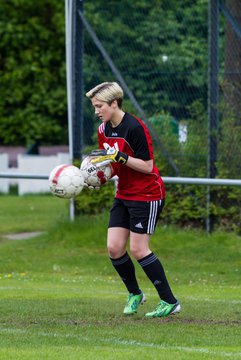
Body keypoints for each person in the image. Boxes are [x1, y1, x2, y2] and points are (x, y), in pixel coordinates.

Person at [85, 81, 180, 318]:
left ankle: (170, 302)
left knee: (139, 249)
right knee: (114, 248)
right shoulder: (103, 130)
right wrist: (99, 177)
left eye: (99, 106)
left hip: (147, 194)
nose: (96, 111)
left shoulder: (135, 128)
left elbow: (147, 167)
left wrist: (120, 157)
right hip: (124, 193)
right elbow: (112, 164)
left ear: (114, 103)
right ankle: (135, 293)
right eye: (94, 107)